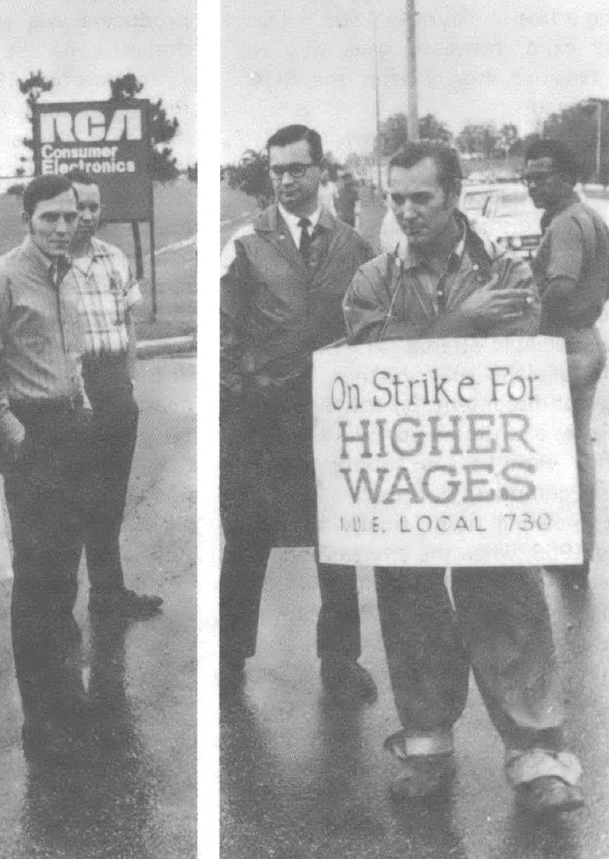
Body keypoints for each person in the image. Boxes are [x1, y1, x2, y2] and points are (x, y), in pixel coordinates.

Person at [341, 141, 584, 814]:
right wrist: (466, 321)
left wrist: (437, 333)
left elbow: (519, 349)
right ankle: (426, 743)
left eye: (423, 198)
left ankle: (538, 757)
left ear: (453, 195)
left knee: (509, 598)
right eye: (398, 199)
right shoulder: (374, 281)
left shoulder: (505, 267)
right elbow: (374, 370)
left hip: (485, 470)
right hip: (408, 479)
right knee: (411, 603)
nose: (409, 212)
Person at [219, 124, 377, 702]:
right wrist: (244, 392)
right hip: (260, 419)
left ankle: (340, 659)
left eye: (297, 168)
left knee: (337, 539)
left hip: (329, 420)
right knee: (245, 536)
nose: (286, 179)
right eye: (277, 170)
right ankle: (228, 654)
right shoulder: (244, 243)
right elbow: (223, 331)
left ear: (319, 169)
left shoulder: (354, 245)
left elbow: (372, 322)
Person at [0, 175, 95, 762]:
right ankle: (40, 713)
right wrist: (11, 430)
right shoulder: (1, 278)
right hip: (31, 434)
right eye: (49, 219)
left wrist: (84, 403)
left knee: (65, 573)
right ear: (26, 219)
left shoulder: (69, 274)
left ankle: (67, 694)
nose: (62, 228)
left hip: (71, 431)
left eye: (69, 217)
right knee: (36, 581)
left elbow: (70, 355)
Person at [62, 169, 163, 620]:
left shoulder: (114, 258)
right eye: (77, 207)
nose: (86, 216)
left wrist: (129, 380)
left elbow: (130, 326)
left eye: (93, 207)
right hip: (70, 390)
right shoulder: (51, 265)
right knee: (72, 502)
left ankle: (109, 593)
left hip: (114, 385)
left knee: (111, 496)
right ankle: (60, 607)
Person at [523, 139, 609, 588]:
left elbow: (559, 286)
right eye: (528, 176)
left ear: (567, 177)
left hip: (566, 343)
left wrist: (526, 317)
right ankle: (576, 550)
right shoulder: (590, 216)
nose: (532, 184)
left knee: (565, 453)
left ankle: (572, 551)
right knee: (575, 449)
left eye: (542, 176)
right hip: (586, 339)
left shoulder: (566, 224)